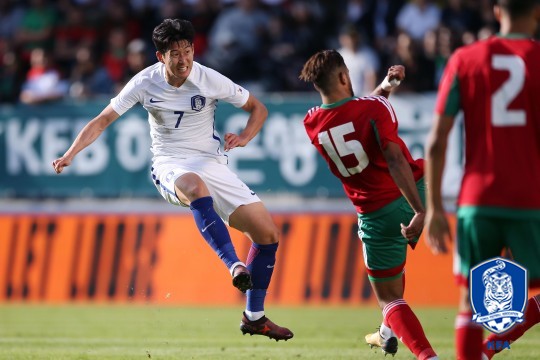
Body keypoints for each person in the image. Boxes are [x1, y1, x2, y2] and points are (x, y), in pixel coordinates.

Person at [52, 18, 293, 341]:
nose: (183, 60)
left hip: (211, 162)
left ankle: (254, 317)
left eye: (188, 51)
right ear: (159, 57)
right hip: (169, 164)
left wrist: (247, 136)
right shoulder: (144, 82)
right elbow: (103, 120)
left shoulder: (207, 78)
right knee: (194, 186)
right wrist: (71, 153)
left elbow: (257, 107)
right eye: (175, 54)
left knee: (267, 234)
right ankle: (234, 265)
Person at [299, 49, 438, 360]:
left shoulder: (311, 123)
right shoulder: (374, 107)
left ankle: (428, 356)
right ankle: (387, 332)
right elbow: (393, 157)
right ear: (345, 77)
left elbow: (353, 114)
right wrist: (420, 209)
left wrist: (386, 84)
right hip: (419, 189)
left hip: (376, 214)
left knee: (388, 297)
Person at [424, 1, 540, 359]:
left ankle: (485, 350)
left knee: (470, 301)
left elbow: (436, 142)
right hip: (531, 198)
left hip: (478, 199)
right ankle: (492, 348)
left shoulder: (465, 59)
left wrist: (434, 209)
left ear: (496, 10)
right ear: (536, 11)